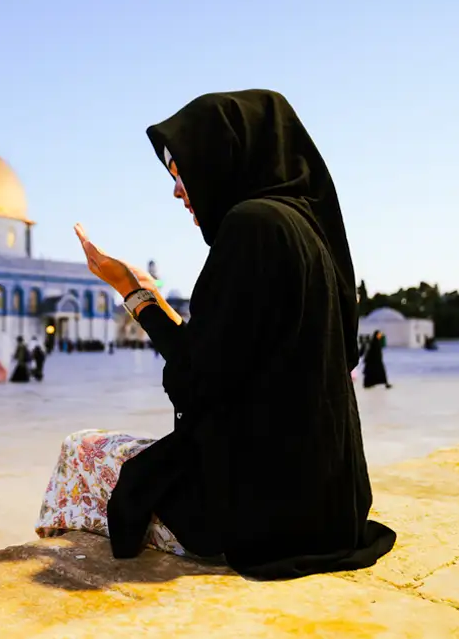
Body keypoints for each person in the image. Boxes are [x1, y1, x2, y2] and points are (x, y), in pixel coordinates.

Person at [35, 90, 395, 580]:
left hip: (266, 516)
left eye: (181, 173)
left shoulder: (252, 227)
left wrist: (131, 291)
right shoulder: (306, 225)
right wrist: (146, 295)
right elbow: (231, 353)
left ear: (222, 158)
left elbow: (196, 378)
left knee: (82, 451)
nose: (179, 192)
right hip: (332, 507)